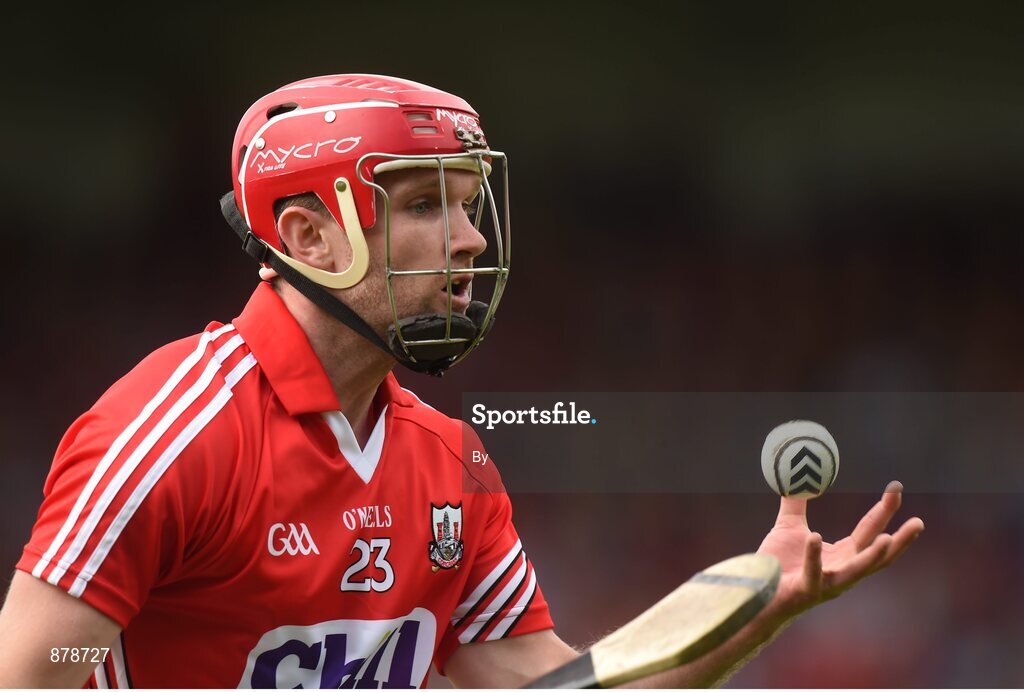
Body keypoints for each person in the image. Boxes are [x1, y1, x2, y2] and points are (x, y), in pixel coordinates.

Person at [0, 74, 924, 689]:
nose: (472, 238)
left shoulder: (451, 464)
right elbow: (27, 670)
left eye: (469, 206)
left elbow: (555, 688)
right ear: (308, 235)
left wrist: (759, 602)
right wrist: (111, 653)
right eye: (424, 204)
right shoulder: (170, 432)